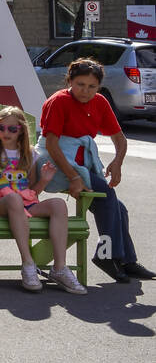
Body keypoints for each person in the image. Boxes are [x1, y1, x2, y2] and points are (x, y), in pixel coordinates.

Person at [37, 57, 155, 283]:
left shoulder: (100, 102)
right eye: (80, 84)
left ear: (98, 87)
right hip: (54, 162)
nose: (85, 91)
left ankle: (127, 261)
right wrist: (73, 177)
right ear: (69, 81)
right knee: (107, 195)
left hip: (80, 164)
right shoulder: (59, 101)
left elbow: (119, 138)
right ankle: (107, 256)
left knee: (118, 208)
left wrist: (117, 163)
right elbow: (51, 145)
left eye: (92, 86)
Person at [0, 106, 83, 293]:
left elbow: (32, 191)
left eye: (12, 129)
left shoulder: (30, 154)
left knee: (58, 204)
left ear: (21, 130)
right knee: (14, 198)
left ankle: (60, 268)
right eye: (1, 128)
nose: (6, 132)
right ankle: (28, 264)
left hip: (26, 203)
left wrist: (44, 181)